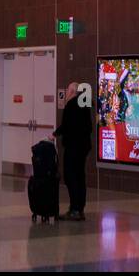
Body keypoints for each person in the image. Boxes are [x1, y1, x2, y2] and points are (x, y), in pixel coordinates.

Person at [53, 81, 92, 221]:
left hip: (73, 147)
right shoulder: (85, 105)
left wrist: (54, 134)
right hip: (83, 147)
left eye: (68, 90)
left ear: (72, 92)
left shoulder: (70, 105)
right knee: (80, 176)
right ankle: (80, 209)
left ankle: (74, 208)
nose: (67, 92)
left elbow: (66, 125)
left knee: (70, 177)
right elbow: (89, 127)